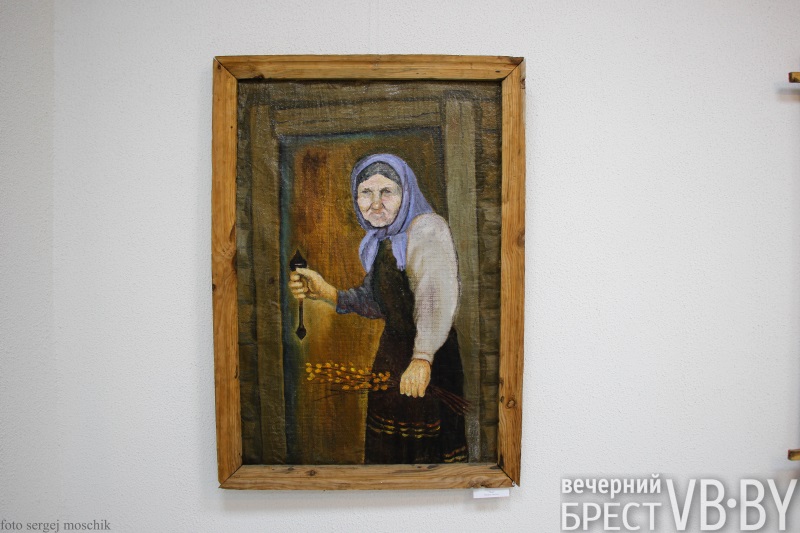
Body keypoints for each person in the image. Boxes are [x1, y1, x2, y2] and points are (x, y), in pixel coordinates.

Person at [289, 153, 468, 464]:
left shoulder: (427, 229)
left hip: (428, 359)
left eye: (386, 192)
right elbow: (378, 302)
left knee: (424, 458)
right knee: (388, 454)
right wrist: (327, 292)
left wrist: (422, 358)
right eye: (366, 193)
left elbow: (435, 299)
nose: (375, 204)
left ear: (405, 193)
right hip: (393, 357)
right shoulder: (383, 239)